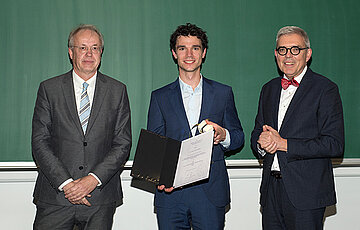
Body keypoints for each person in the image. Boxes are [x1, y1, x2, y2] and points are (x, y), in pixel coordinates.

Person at [32, 24, 132, 229]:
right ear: (71, 52)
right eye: (82, 47)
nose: (89, 53)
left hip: (100, 199)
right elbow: (40, 142)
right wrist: (67, 184)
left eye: (95, 48)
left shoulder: (117, 90)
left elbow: (122, 143)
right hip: (56, 197)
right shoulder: (49, 89)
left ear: (101, 53)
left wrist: (92, 180)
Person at [147, 23, 244, 229]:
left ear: (204, 53)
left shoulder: (222, 93)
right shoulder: (160, 97)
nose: (189, 54)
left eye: (195, 48)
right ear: (174, 53)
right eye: (182, 48)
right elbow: (155, 146)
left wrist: (223, 134)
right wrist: (162, 177)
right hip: (171, 193)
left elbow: (238, 137)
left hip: (210, 192)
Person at [250, 25, 344, 230]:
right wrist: (261, 143)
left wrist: (284, 144)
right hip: (271, 192)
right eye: (282, 50)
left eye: (295, 49)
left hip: (306, 194)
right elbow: (257, 132)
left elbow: (333, 144)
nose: (288, 56)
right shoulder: (268, 89)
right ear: (276, 54)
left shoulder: (325, 89)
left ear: (308, 54)